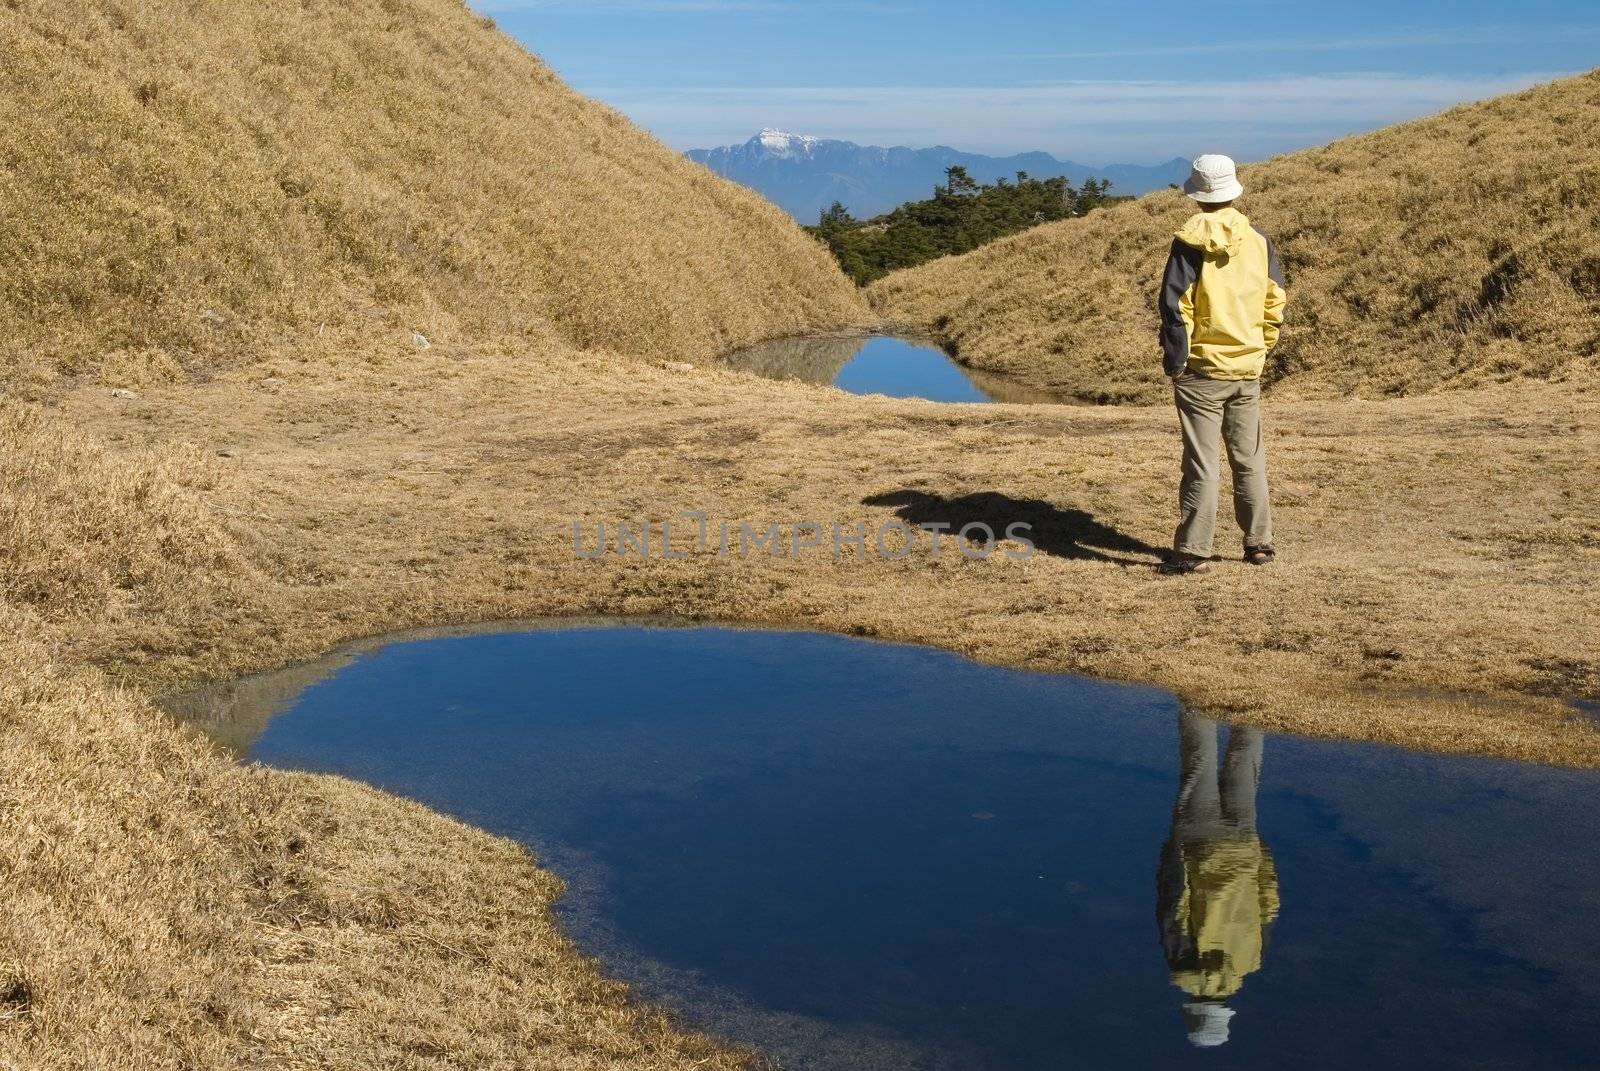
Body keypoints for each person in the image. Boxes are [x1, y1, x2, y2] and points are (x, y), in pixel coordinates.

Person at [1157, 154, 1287, 575]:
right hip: (1247, 367)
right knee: (1249, 458)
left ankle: (1193, 551)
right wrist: (1261, 349)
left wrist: (1176, 362)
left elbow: (1176, 307)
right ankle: (1259, 544)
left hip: (1202, 370)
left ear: (1197, 194)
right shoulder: (1259, 240)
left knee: (1202, 462)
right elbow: (1274, 301)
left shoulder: (1189, 243)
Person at [1156, 709, 1280, 1048]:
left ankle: (1255, 692)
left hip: (1244, 847)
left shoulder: (1253, 960)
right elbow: (1173, 903)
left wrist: (1261, 854)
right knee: (1199, 762)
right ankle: (1195, 690)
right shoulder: (1183, 960)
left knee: (1246, 757)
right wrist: (1173, 850)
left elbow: (1269, 905)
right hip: (1198, 844)